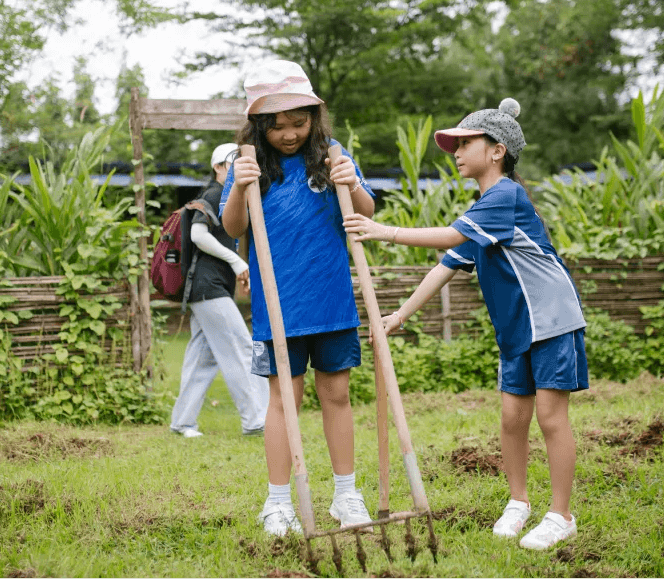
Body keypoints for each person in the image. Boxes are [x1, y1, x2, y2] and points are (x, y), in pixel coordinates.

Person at [343, 98, 589, 551]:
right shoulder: (484, 208)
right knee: (513, 418)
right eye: (453, 145)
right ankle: (519, 503)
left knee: (552, 419)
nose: (455, 151)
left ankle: (561, 515)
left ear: (497, 150)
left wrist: (385, 231)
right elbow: (446, 265)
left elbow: (453, 236)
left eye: (465, 142)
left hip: (551, 319)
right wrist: (398, 315)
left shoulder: (505, 197)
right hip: (517, 326)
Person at [220, 59, 377, 537]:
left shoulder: (331, 153)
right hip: (277, 304)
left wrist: (349, 181)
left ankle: (346, 495)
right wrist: (241, 184)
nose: (289, 134)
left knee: (337, 394)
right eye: (276, 126)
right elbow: (233, 228)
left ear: (314, 117)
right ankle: (278, 502)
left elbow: (365, 213)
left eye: (298, 122)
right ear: (258, 125)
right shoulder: (247, 164)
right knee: (283, 401)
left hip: (331, 299)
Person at [170, 142, 270, 438]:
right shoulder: (214, 195)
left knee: (203, 358)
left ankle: (182, 422)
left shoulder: (227, 198)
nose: (237, 170)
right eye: (232, 165)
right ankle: (256, 419)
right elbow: (197, 234)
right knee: (242, 346)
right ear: (218, 167)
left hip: (206, 288)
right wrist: (238, 262)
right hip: (208, 287)